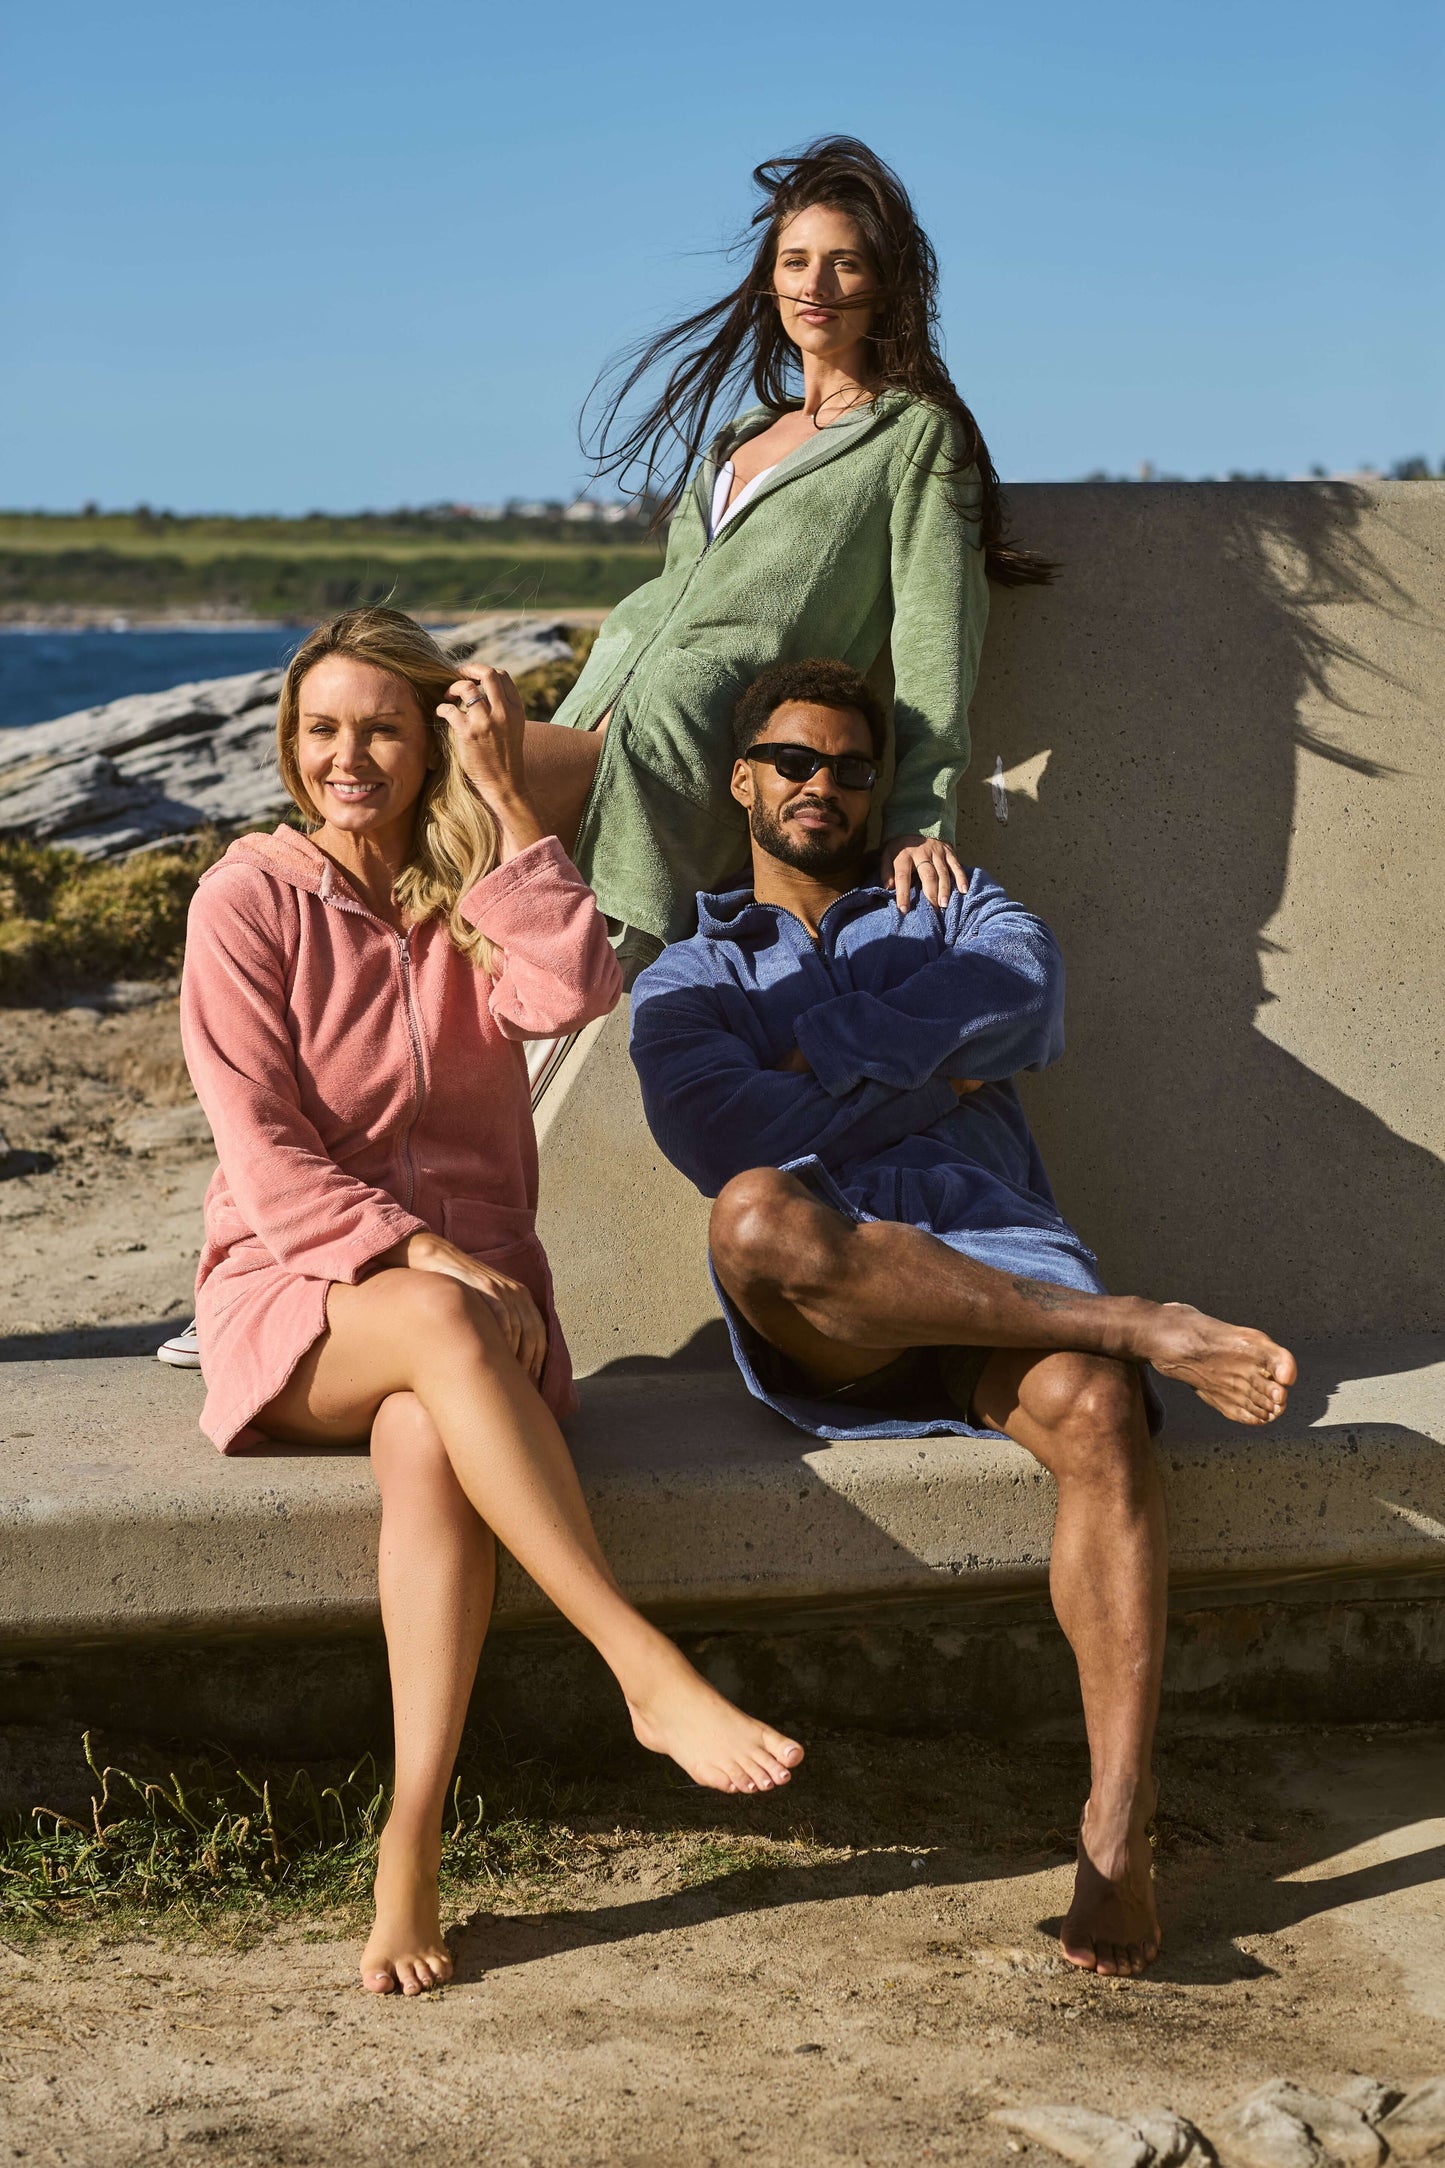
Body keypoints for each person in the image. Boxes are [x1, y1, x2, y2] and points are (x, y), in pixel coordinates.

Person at [628, 656, 1298, 1979]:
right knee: (758, 1216)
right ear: (743, 777)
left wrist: (820, 1057)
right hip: (834, 1314)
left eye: (854, 767)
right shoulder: (684, 973)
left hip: (1002, 1263)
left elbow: (1030, 1001)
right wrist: (932, 1074)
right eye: (797, 761)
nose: (826, 785)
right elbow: (720, 1136)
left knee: (1099, 1409)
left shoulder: (948, 899)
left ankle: (1117, 1823)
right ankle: (1140, 1320)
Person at [179, 606, 803, 1996]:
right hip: (301, 1295)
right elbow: (265, 1154)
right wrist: (420, 1254)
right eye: (323, 730)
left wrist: (512, 802)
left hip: (466, 1327)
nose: (351, 756)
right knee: (446, 1330)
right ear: (288, 745)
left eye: (384, 728)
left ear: (430, 741)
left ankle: (409, 1840)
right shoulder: (247, 898)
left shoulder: (465, 886)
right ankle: (638, 1663)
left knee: (426, 1445)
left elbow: (574, 989)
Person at [520, 135, 1051, 970]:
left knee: (440, 774)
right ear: (771, 276)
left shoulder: (913, 436)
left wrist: (919, 815)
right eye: (796, 260)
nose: (815, 284)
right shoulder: (741, 434)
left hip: (692, 746)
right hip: (595, 708)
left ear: (885, 282)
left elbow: (933, 643)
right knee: (416, 799)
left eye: (843, 262)